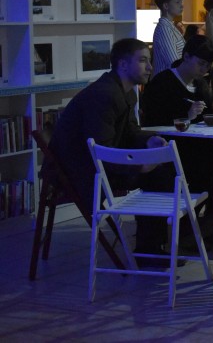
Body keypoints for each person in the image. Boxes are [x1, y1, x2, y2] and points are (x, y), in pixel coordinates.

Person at [48, 39, 174, 265]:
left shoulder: (124, 92)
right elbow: (101, 150)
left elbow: (130, 132)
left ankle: (152, 246)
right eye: (143, 60)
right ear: (123, 64)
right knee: (158, 174)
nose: (150, 67)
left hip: (94, 165)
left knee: (161, 169)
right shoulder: (105, 95)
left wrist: (149, 140)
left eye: (149, 61)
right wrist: (140, 166)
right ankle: (149, 249)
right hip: (80, 172)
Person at [141, 35, 213, 208]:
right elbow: (153, 121)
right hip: (176, 145)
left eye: (208, 66)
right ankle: (198, 214)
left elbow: (208, 115)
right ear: (186, 56)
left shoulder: (201, 85)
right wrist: (186, 116)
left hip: (200, 143)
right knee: (209, 165)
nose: (204, 69)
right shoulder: (163, 82)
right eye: (201, 63)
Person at [152, 0, 186, 75]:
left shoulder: (170, 26)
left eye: (181, 2)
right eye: (177, 2)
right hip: (167, 81)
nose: (182, 6)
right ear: (166, 6)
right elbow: (174, 63)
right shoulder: (164, 29)